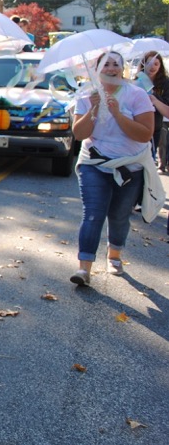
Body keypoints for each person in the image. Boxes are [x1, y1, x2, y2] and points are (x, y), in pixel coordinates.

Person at [70, 51, 155, 286]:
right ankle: (84, 268)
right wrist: (93, 109)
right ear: (97, 70)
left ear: (123, 69)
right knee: (93, 213)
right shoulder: (87, 94)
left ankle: (114, 254)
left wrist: (117, 113)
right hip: (94, 164)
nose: (111, 68)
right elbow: (79, 134)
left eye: (116, 64)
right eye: (105, 64)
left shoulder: (136, 94)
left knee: (118, 216)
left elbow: (145, 134)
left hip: (130, 167)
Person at [139, 51, 169, 172]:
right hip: (137, 126)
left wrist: (154, 98)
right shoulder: (136, 80)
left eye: (156, 64)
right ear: (143, 64)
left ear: (160, 66)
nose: (152, 67)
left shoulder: (165, 83)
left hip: (156, 126)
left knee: (149, 161)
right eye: (149, 63)